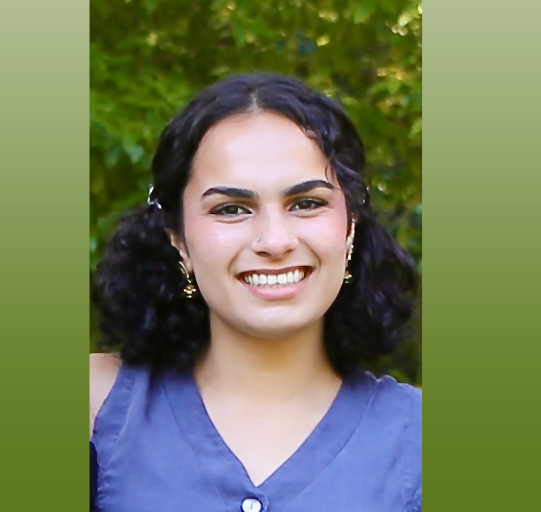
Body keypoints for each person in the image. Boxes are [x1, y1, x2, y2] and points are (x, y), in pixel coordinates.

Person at [90, 73, 421, 512]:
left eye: (306, 203)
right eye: (231, 209)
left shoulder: (419, 437)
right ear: (179, 240)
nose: (274, 240)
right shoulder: (97, 405)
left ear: (350, 227)